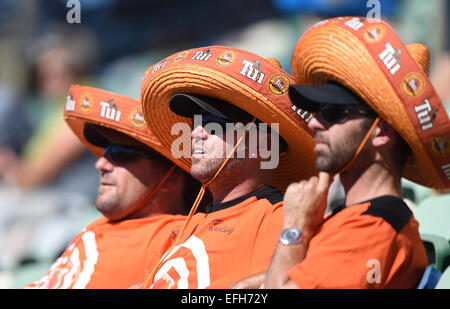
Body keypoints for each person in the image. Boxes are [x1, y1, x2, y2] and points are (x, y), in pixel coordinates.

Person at [262, 16, 450, 289]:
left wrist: (295, 227)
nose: (314, 122)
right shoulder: (351, 219)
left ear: (382, 132)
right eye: (315, 111)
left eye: (332, 112)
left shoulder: (374, 228)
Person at [138, 46, 318, 288]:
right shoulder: (184, 226)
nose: (195, 133)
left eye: (212, 124)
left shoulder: (279, 219)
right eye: (196, 122)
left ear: (262, 144)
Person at [24, 85, 205, 288]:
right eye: (105, 152)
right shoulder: (95, 227)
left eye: (121, 154)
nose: (100, 164)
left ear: (171, 178)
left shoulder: (180, 238)